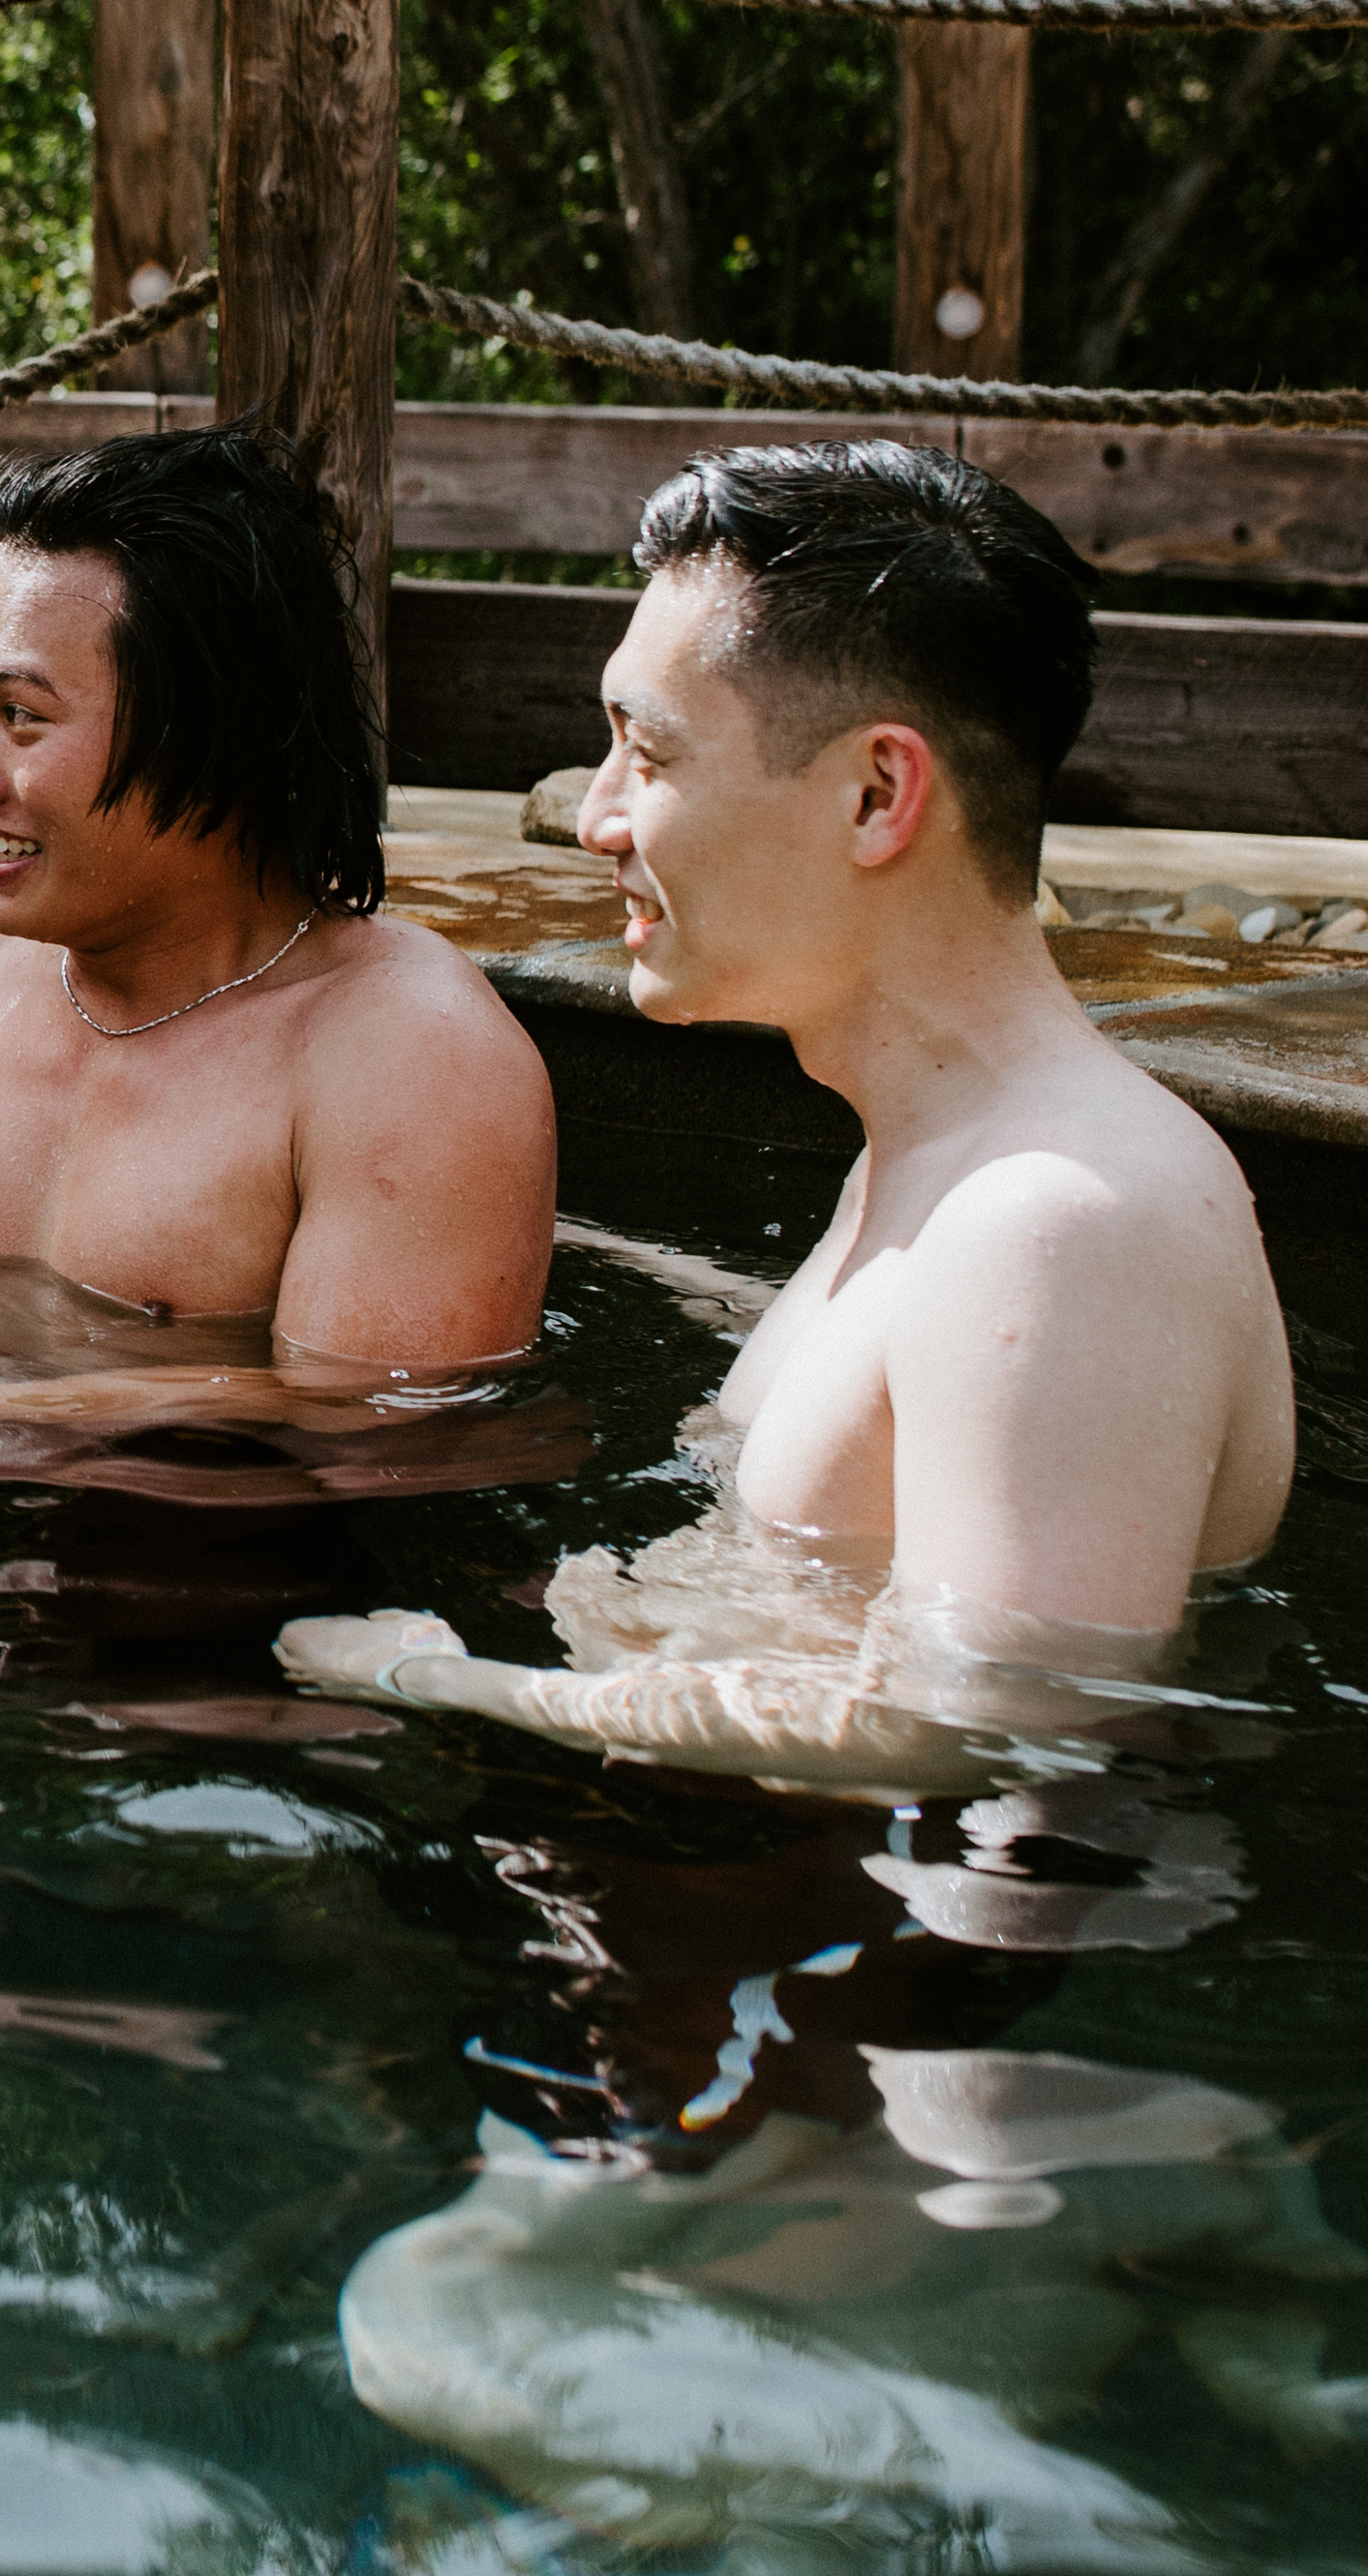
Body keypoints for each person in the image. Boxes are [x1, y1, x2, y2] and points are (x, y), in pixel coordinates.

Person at [278, 439, 1294, 1792]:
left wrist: (444, 1682)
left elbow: (1002, 1735)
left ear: (878, 795)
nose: (594, 817)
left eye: (649, 751)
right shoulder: (932, 1164)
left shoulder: (1060, 1223)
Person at [0, 428, 554, 1425]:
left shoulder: (408, 1057)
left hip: (233, 1562)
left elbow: (378, 1429)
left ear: (206, 734)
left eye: (20, 715)